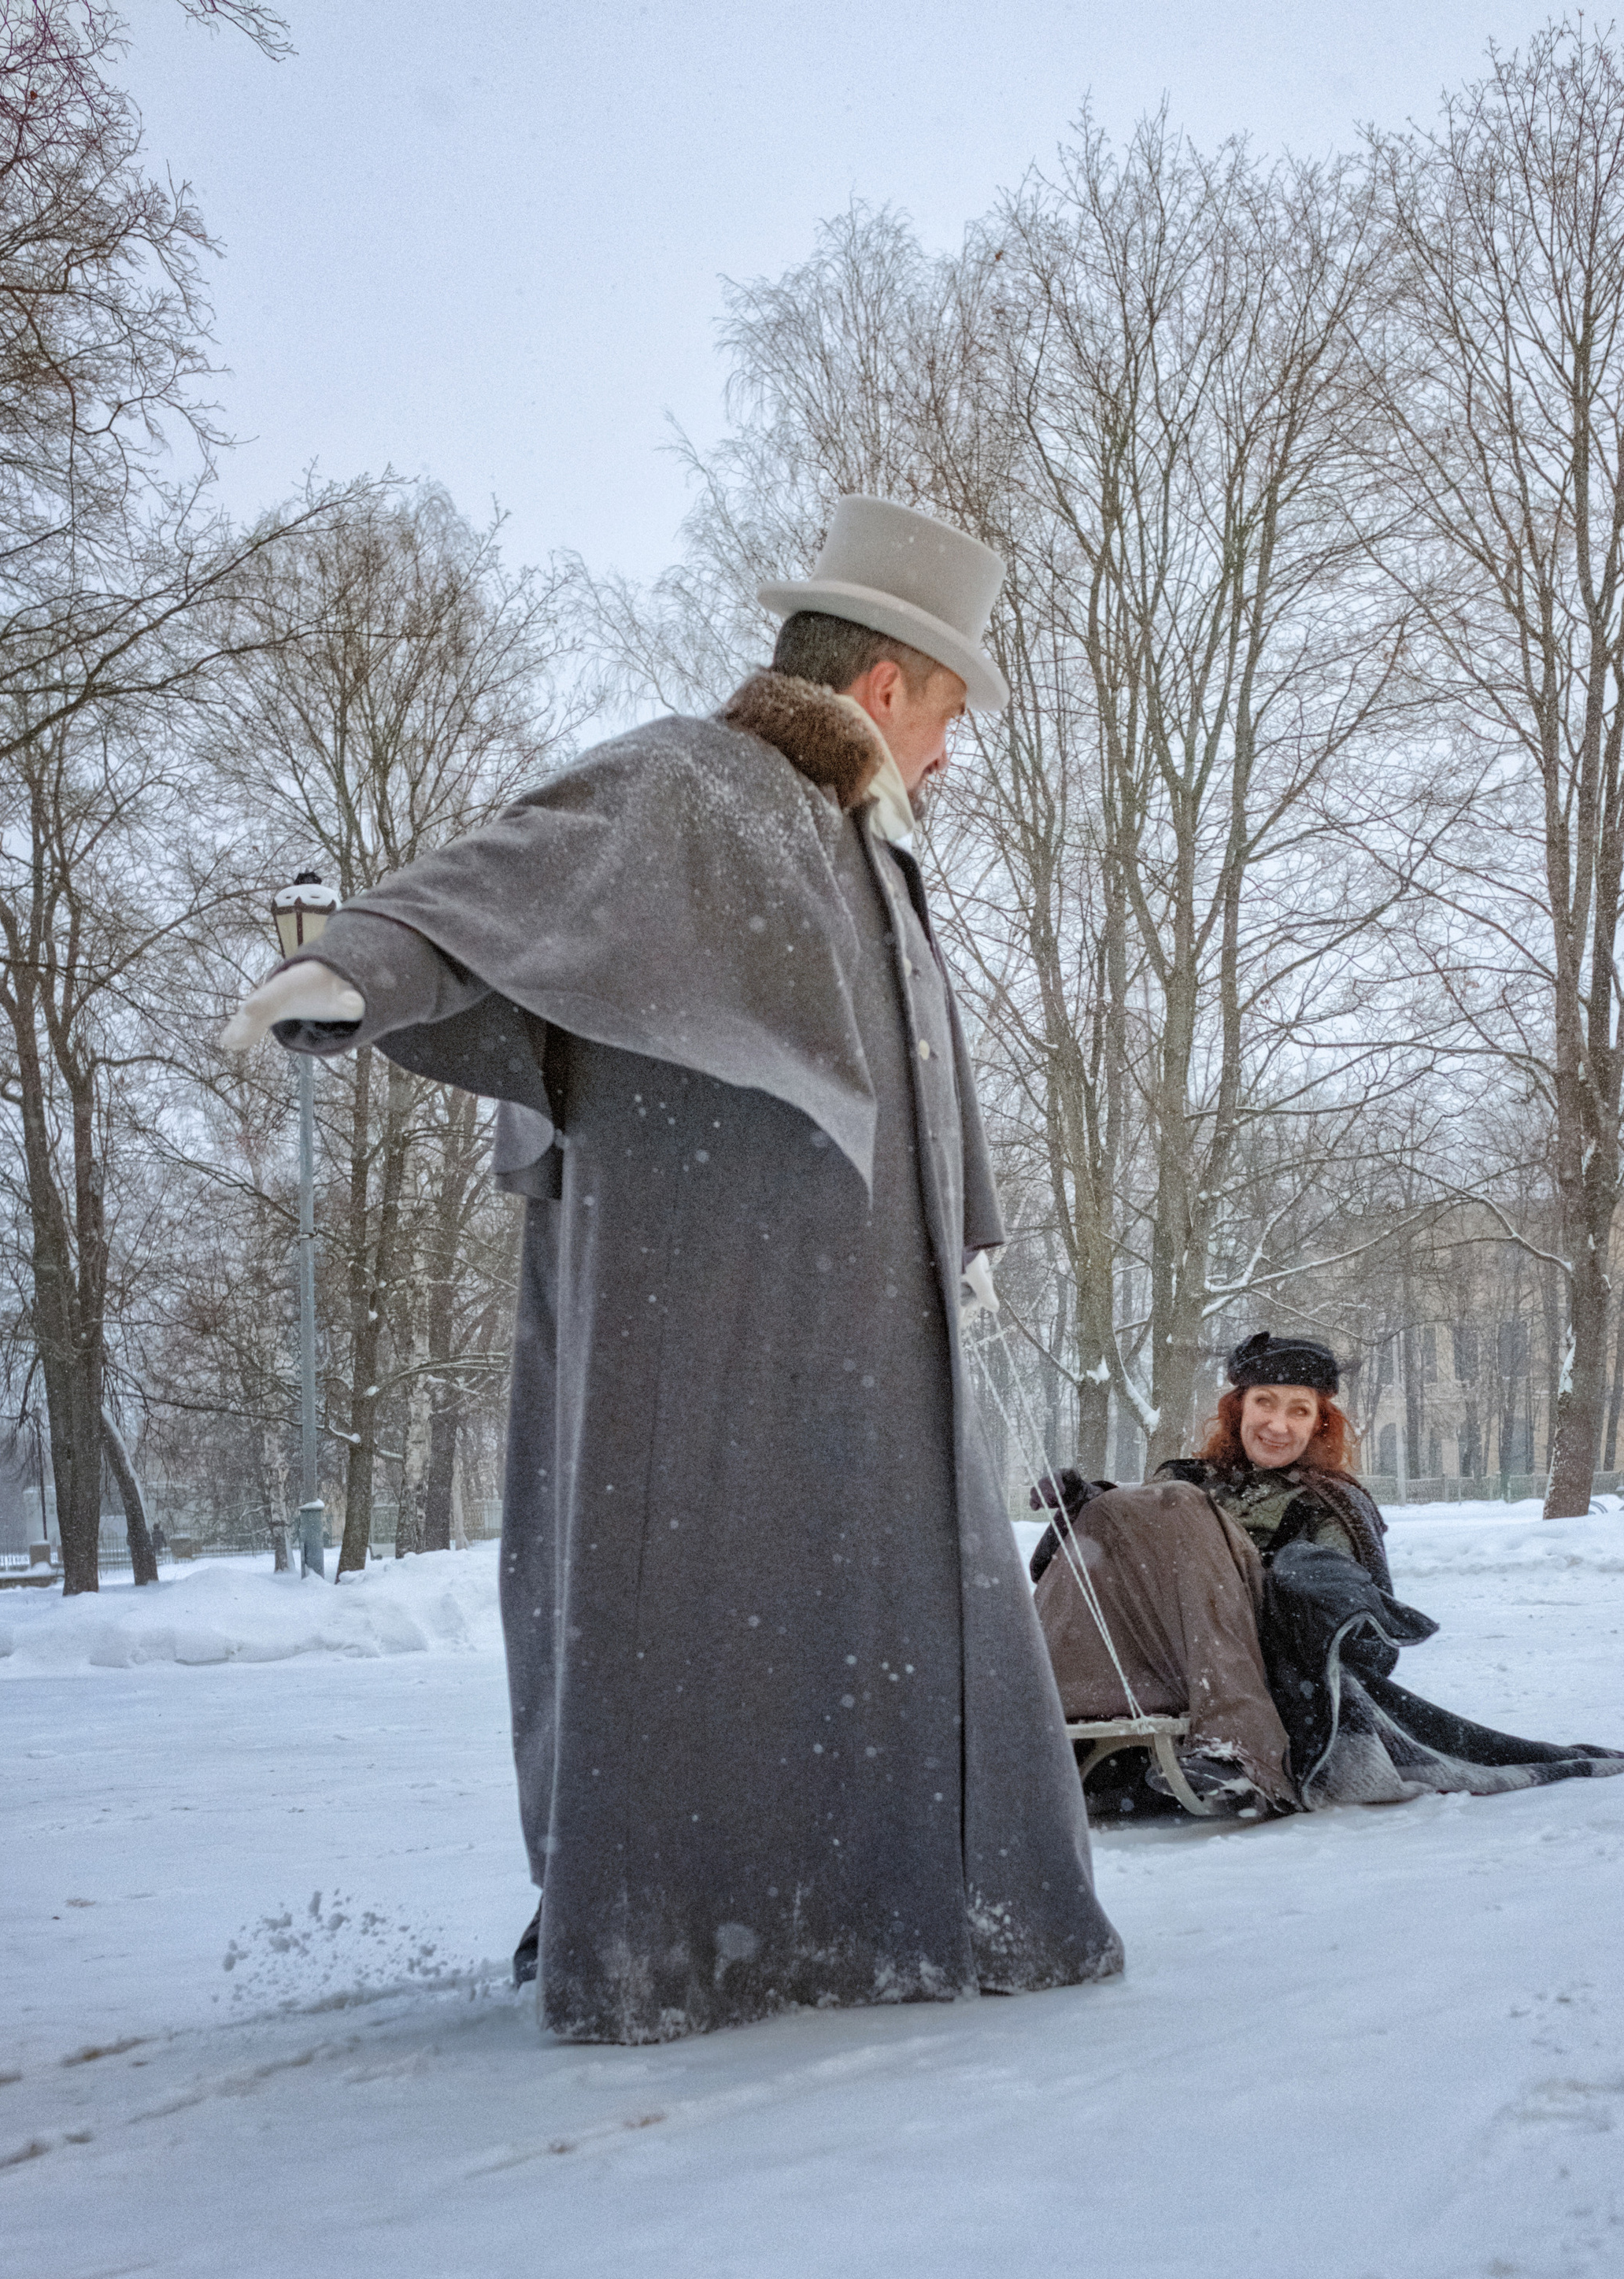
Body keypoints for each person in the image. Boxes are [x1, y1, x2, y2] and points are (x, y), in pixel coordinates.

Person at [221, 494, 1123, 2040]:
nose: (949, 753)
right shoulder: (694, 787)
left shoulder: (871, 855)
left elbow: (926, 1071)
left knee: (875, 1614)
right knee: (696, 1606)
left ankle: (880, 1914)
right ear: (885, 683)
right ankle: (683, 1934)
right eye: (948, 713)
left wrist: (962, 1230)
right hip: (701, 1313)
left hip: (861, 1332)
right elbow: (520, 876)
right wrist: (352, 969)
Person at [1032, 1329, 1624, 1815]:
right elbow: (1116, 1568)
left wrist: (1313, 1581)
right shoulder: (1184, 1481)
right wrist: (1087, 1511)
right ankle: (1032, 1729)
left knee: (1167, 1504)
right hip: (1162, 1651)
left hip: (1266, 1648)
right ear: (1237, 1409)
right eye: (1264, 1402)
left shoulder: (1330, 1503)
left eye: (1298, 1410)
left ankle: (1241, 1746)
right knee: (1118, 1508)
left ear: (1319, 1422)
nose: (1277, 1424)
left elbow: (1364, 1652)